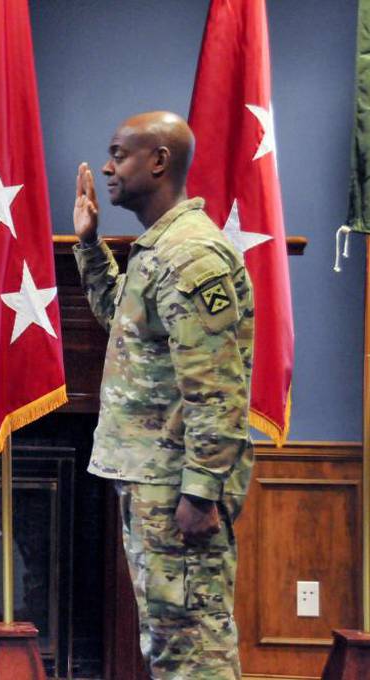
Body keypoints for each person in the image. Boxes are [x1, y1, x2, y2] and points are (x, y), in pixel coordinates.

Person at [72, 111, 254, 679]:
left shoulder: (191, 256)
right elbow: (120, 319)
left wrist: (200, 493)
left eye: (119, 154)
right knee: (170, 640)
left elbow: (218, 389)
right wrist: (88, 244)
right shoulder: (160, 249)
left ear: (159, 161)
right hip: (153, 477)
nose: (107, 166)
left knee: (192, 644)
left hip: (176, 482)